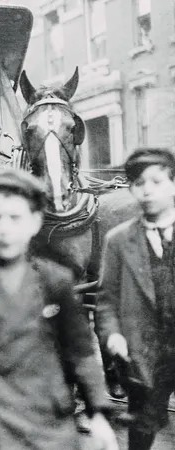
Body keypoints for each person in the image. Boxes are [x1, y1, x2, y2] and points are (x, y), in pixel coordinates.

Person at [0, 170, 117, 450]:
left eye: (15, 218)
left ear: (35, 222)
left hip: (48, 420)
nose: (5, 229)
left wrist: (98, 413)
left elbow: (80, 352)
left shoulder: (56, 281)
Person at [95, 147, 175, 449]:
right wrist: (113, 335)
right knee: (142, 427)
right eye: (139, 183)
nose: (148, 191)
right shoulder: (118, 240)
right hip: (144, 355)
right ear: (130, 189)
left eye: (157, 182)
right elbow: (106, 300)